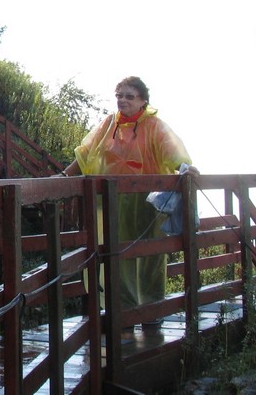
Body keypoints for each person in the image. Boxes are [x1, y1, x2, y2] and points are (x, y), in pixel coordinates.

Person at [59, 76, 198, 332]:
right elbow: (86, 153)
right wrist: (63, 177)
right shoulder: (109, 124)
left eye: (129, 96)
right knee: (115, 254)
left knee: (151, 254)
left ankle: (152, 310)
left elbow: (172, 151)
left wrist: (185, 168)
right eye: (119, 95)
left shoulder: (154, 126)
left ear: (143, 101)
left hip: (147, 200)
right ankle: (121, 311)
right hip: (113, 200)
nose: (123, 100)